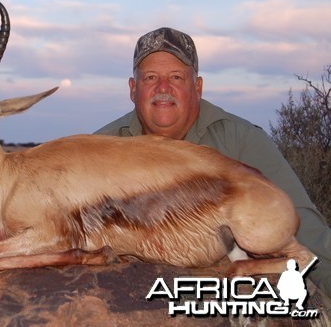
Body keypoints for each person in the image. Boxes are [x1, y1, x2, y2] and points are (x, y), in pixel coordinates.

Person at [94, 27, 331, 296]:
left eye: (176, 77)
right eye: (150, 77)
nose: (163, 88)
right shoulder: (102, 147)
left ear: (197, 87)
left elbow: (308, 232)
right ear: (133, 88)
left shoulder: (241, 141)